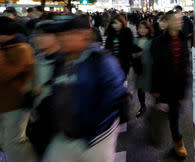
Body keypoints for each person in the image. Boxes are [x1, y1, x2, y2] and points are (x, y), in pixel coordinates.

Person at [43, 15, 126, 162]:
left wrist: (91, 125)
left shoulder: (100, 59)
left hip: (95, 139)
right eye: (59, 35)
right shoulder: (61, 61)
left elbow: (115, 94)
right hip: (64, 136)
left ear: (84, 35)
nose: (61, 39)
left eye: (67, 34)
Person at [151, 11, 189, 158]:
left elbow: (185, 64)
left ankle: (177, 143)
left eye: (180, 19)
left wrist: (185, 86)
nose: (180, 22)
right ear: (168, 22)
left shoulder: (183, 38)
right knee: (171, 116)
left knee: (174, 116)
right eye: (176, 19)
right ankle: (177, 144)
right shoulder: (158, 42)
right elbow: (155, 67)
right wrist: (155, 89)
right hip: (164, 86)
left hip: (178, 86)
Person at [0, 17, 37, 162]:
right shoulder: (6, 47)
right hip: (4, 104)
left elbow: (4, 74)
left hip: (15, 105)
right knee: (5, 141)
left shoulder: (21, 48)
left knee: (13, 143)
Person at [28, 20, 64, 157]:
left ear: (56, 37)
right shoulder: (37, 59)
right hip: (40, 123)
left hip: (59, 126)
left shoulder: (66, 62)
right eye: (36, 35)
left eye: (43, 35)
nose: (37, 39)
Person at [133, 21, 154, 118]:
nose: (142, 30)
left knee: (153, 87)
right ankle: (142, 106)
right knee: (140, 89)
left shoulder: (153, 40)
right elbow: (131, 54)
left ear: (149, 29)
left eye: (145, 28)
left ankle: (156, 105)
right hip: (139, 69)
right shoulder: (135, 40)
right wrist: (136, 55)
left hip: (151, 69)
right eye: (140, 28)